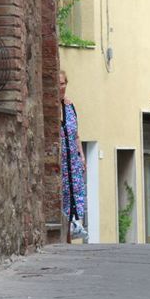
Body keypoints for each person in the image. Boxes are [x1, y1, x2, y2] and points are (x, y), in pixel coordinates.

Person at [59, 70, 88, 243]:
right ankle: (66, 239)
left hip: (73, 162)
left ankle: (71, 234)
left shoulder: (70, 107)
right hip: (60, 163)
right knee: (62, 198)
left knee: (73, 199)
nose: (60, 87)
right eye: (57, 83)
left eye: (63, 83)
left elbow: (76, 134)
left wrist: (82, 157)